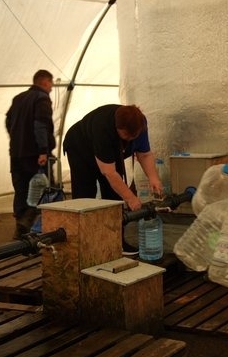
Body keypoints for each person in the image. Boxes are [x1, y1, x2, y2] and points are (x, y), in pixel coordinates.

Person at [63, 104, 163, 255]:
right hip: (80, 148)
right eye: (126, 136)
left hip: (109, 150)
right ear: (117, 128)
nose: (130, 140)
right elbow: (109, 172)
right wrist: (130, 198)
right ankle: (84, 244)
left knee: (114, 196)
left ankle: (117, 241)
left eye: (133, 137)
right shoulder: (102, 128)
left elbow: (144, 154)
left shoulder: (140, 123)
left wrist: (154, 178)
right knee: (85, 195)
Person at [5, 69, 56, 239]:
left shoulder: (18, 98)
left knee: (21, 190)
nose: (52, 87)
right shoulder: (42, 98)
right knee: (43, 189)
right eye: (51, 83)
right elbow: (40, 125)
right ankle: (28, 224)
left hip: (16, 153)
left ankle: (20, 233)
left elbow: (8, 121)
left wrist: (17, 137)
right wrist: (43, 150)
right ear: (45, 82)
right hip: (35, 155)